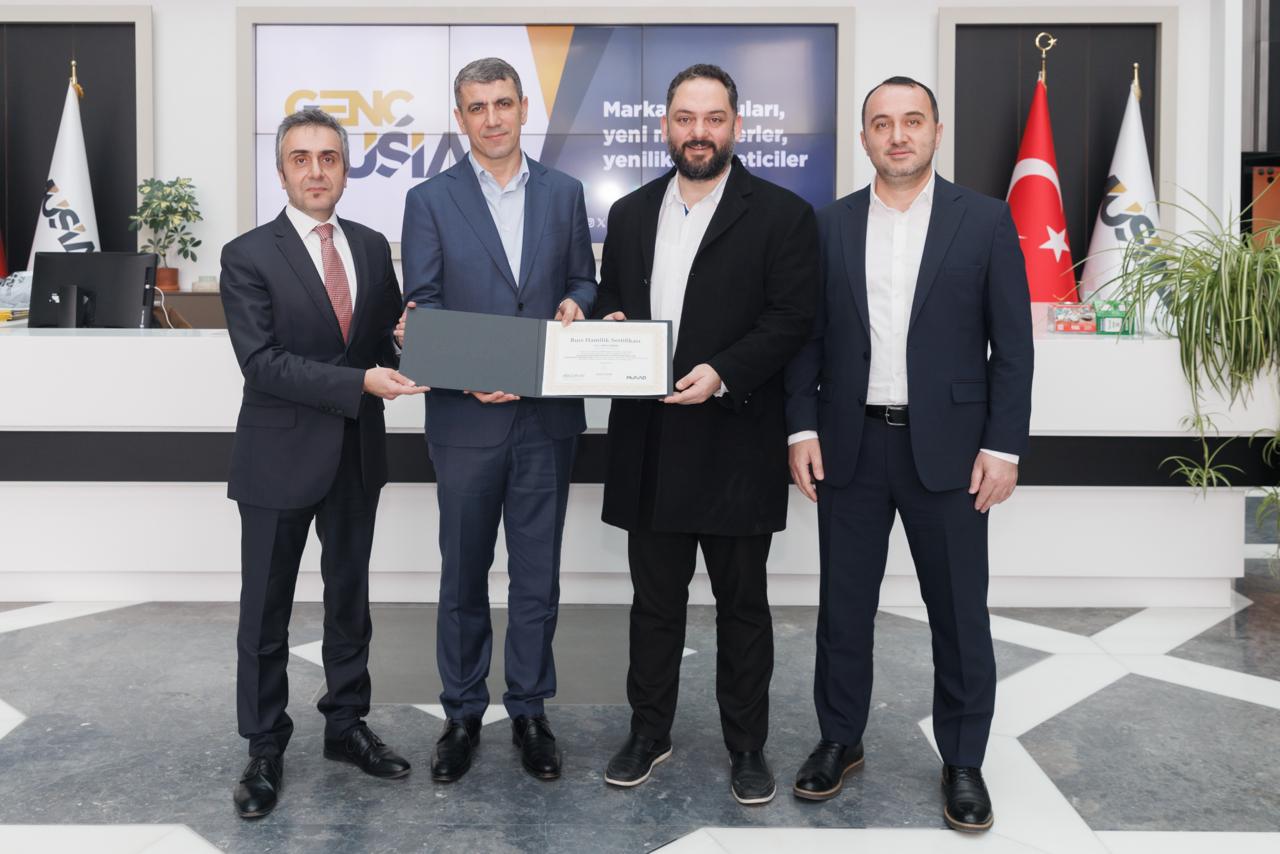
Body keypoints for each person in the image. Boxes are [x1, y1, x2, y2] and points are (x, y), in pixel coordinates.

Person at [784, 76, 1034, 832]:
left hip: (952, 455)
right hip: (850, 445)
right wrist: (801, 429)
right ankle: (840, 740)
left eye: (913, 121)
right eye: (882, 123)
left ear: (936, 131)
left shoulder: (985, 221)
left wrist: (1002, 446)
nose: (898, 135)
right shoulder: (827, 225)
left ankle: (963, 760)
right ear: (863, 137)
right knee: (843, 609)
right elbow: (806, 340)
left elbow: (1012, 349)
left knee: (958, 614)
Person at [593, 63, 817, 805]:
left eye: (713, 119)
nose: (699, 132)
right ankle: (648, 732)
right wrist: (611, 325)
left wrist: (722, 371)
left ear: (735, 126)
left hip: (736, 444)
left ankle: (747, 747)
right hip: (649, 442)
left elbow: (791, 319)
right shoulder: (629, 213)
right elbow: (614, 302)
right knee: (653, 605)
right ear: (665, 126)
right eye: (685, 118)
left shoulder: (783, 215)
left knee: (743, 610)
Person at [398, 57, 596, 783]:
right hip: (465, 420)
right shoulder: (429, 199)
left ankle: (530, 711)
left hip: (547, 419)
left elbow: (583, 278)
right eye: (476, 107)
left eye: (503, 103)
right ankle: (461, 714)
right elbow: (423, 303)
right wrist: (468, 371)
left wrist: (577, 301)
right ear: (460, 118)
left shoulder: (564, 193)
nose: (491, 118)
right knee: (464, 575)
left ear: (523, 109)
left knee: (537, 577)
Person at [221, 108, 423, 819]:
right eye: (301, 158)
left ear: (345, 168)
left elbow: (379, 345)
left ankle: (346, 725)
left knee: (349, 601)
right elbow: (262, 362)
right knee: (265, 610)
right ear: (281, 172)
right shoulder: (247, 254)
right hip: (277, 456)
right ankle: (264, 745)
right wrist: (360, 381)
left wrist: (406, 342)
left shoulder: (369, 247)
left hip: (356, 455)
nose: (316, 171)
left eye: (329, 158)